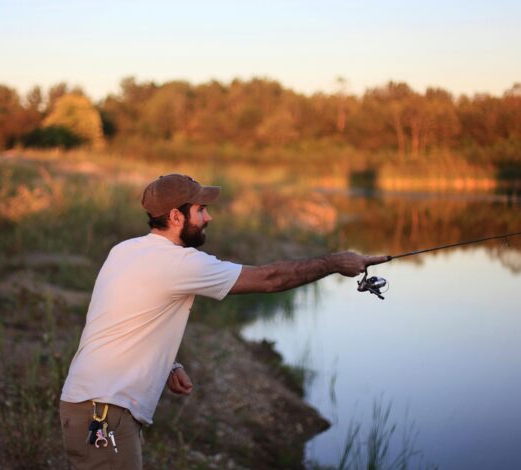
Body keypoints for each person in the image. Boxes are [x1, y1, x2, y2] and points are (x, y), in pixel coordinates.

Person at [59, 174, 388, 469]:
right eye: (201, 210)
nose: (209, 217)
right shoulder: (179, 263)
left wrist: (168, 364)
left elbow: (121, 317)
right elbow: (270, 279)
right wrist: (335, 262)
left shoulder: (125, 250)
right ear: (176, 216)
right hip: (104, 413)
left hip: (92, 406)